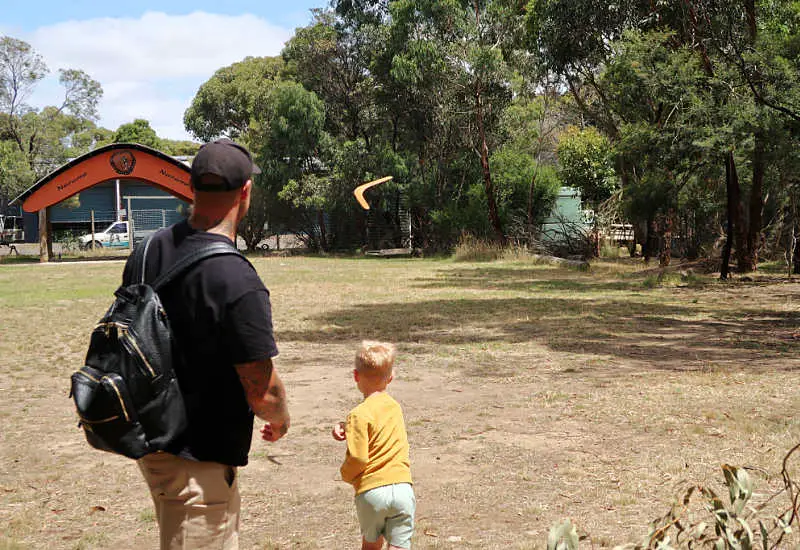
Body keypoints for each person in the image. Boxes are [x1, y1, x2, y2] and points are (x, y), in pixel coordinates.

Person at [122, 138, 290, 550]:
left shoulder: (147, 250)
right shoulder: (236, 279)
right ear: (246, 191)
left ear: (191, 188)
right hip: (197, 462)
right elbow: (261, 391)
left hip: (153, 444)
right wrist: (281, 416)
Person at [332, 341, 415, 550]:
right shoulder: (395, 408)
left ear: (355, 376)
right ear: (391, 377)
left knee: (371, 544)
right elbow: (381, 430)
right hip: (403, 488)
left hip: (372, 492)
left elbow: (359, 458)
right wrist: (346, 426)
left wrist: (346, 474)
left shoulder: (358, 414)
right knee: (399, 545)